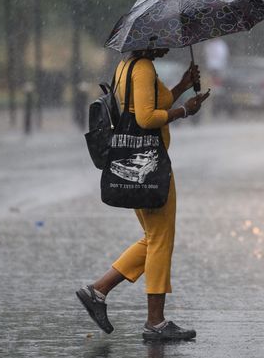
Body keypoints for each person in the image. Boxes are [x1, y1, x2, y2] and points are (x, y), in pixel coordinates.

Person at [76, 47, 209, 341]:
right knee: (161, 240)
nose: (167, 45)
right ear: (149, 39)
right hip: (149, 167)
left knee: (153, 238)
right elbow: (147, 119)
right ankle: (155, 322)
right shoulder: (144, 67)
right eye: (162, 40)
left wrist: (182, 86)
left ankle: (97, 291)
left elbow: (144, 105)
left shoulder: (127, 65)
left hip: (135, 165)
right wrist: (186, 110)